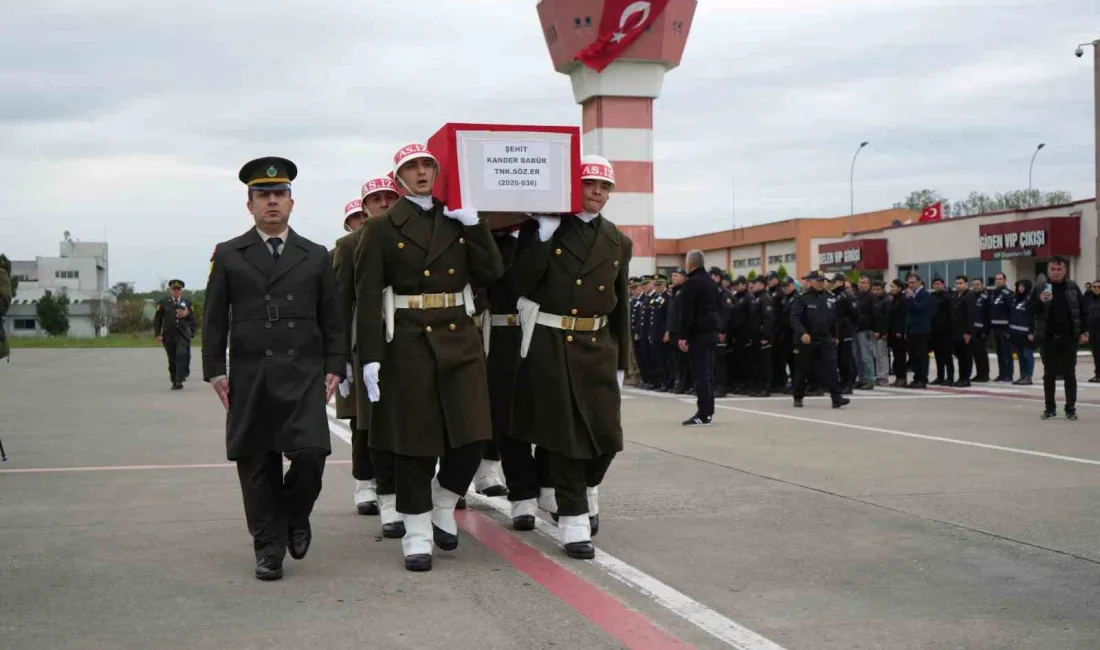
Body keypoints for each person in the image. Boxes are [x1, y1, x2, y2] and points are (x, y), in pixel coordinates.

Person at [355, 143, 504, 571]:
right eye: (412, 167)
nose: (421, 173)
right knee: (414, 443)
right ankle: (418, 531)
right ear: (399, 176)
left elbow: (492, 273)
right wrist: (369, 356)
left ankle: (444, 497)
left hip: (459, 335)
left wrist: (475, 226)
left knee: (474, 433)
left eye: (427, 165)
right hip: (408, 340)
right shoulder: (381, 229)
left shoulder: (457, 219)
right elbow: (367, 297)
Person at [202, 157, 346, 581]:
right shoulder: (229, 254)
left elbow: (332, 318)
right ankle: (268, 547)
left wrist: (335, 365)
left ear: (291, 203)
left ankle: (295, 515)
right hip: (250, 372)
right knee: (257, 461)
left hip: (303, 371)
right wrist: (214, 370)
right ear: (249, 206)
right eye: (262, 196)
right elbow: (213, 319)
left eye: (278, 195)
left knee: (313, 452)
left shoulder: (315, 255)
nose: (271, 202)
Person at [509, 154, 631, 560]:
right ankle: (573, 519)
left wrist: (621, 362)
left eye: (605, 186)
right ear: (572, 186)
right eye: (589, 184)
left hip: (597, 344)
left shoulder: (618, 240)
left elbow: (621, 306)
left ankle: (586, 487)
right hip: (551, 339)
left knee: (608, 438)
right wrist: (543, 238)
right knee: (566, 439)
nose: (597, 191)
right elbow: (520, 283)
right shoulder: (543, 227)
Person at [485, 224, 556, 530]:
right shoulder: (491, 239)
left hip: (545, 334)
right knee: (509, 422)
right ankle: (522, 493)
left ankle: (549, 486)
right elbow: (498, 278)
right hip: (502, 335)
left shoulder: (554, 231)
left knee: (550, 417)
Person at [1032, 256, 1088, 420]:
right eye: (1053, 269)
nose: (1056, 272)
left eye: (1059, 269)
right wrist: (1040, 301)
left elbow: (1083, 310)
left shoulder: (1072, 287)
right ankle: (1050, 408)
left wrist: (1084, 332)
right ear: (1048, 270)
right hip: (1048, 338)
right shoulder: (1041, 287)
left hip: (1069, 338)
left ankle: (1070, 408)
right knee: (1049, 374)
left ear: (1065, 270)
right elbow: (1031, 310)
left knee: (1069, 373)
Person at [790, 271, 849, 409]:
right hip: (807, 340)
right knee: (802, 370)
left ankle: (836, 397)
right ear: (810, 282)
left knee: (831, 369)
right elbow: (795, 319)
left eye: (822, 280)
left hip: (825, 339)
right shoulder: (802, 298)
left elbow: (834, 320)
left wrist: (835, 336)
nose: (820, 283)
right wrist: (802, 333)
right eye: (817, 280)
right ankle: (798, 397)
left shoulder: (830, 298)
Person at [677, 249, 721, 424]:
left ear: (690, 264)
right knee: (708, 373)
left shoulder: (692, 283)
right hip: (711, 332)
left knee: (701, 373)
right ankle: (708, 410)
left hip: (699, 334)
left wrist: (683, 336)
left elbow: (688, 313)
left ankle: (703, 413)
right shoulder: (711, 282)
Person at [154, 280, 196, 390]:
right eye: (174, 289)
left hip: (182, 334)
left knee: (181, 355)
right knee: (172, 358)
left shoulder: (187, 302)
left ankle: (179, 380)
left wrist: (188, 316)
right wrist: (157, 334)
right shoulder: (163, 302)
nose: (176, 291)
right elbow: (158, 319)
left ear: (181, 291)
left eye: (178, 289)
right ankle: (174, 379)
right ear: (170, 290)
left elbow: (193, 319)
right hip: (169, 335)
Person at [746, 275, 775, 397]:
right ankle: (758, 386)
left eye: (756, 283)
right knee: (757, 363)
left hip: (763, 337)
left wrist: (765, 336)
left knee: (765, 364)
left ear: (762, 284)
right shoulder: (757, 298)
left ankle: (766, 387)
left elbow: (769, 319)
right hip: (756, 336)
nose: (753, 285)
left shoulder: (766, 298)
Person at [904, 273, 934, 388]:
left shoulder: (925, 294)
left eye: (913, 282)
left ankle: (922, 378)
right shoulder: (911, 295)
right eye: (909, 283)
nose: (910, 285)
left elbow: (920, 309)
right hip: (912, 329)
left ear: (920, 282)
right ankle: (916, 378)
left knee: (921, 355)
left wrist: (911, 298)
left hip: (922, 329)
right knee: (914, 355)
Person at [950, 275, 977, 388]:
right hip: (956, 331)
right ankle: (961, 377)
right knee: (960, 357)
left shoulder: (969, 296)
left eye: (960, 283)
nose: (958, 285)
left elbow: (970, 315)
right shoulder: (956, 295)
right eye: (956, 283)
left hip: (965, 332)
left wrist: (968, 332)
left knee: (966, 357)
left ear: (966, 284)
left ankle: (966, 379)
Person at [989, 272, 1015, 382]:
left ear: (1005, 280)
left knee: (1007, 353)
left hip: (1005, 328)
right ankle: (1002, 373)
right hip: (995, 328)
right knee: (999, 353)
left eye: (1000, 279)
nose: (998, 281)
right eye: (996, 279)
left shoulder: (1008, 294)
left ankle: (1009, 374)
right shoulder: (994, 293)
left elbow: (1011, 311)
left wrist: (1010, 328)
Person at [1008, 279, 1035, 385]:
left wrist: (1031, 332)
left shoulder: (1031, 299)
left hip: (1027, 334)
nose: (1020, 288)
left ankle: (1028, 376)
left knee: (1027, 355)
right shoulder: (1016, 299)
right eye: (1019, 286)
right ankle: (1022, 375)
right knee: (1020, 356)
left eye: (1022, 286)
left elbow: (1033, 317)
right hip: (1016, 333)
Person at [929, 278, 954, 385]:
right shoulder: (932, 296)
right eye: (934, 284)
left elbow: (951, 314)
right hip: (935, 330)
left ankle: (950, 377)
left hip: (946, 331)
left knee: (947, 356)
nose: (936, 286)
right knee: (938, 355)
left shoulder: (948, 297)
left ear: (943, 284)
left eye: (938, 284)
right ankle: (940, 376)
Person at [969, 278, 991, 382]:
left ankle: (985, 375)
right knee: (976, 354)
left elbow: (988, 316)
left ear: (982, 285)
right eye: (973, 284)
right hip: (973, 330)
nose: (975, 286)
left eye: (977, 284)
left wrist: (986, 331)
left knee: (982, 354)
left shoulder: (986, 298)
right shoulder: (971, 297)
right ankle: (979, 374)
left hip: (982, 330)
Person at [887, 279, 908, 386]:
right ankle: (898, 377)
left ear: (899, 288)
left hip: (899, 331)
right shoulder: (895, 299)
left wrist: (900, 330)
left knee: (901, 356)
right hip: (893, 330)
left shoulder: (903, 299)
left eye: (893, 286)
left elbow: (903, 316)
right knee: (896, 355)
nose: (891, 288)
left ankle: (902, 378)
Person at [1088, 282, 1100, 383]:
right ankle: (1098, 374)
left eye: (1099, 287)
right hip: (1093, 330)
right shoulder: (1090, 299)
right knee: (1096, 353)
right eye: (1094, 287)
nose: (1096, 289)